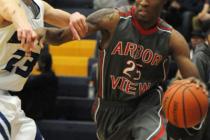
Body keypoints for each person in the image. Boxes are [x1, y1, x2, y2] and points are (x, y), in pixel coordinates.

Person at [36, 0, 207, 139]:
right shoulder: (111, 19)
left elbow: (195, 83)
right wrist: (39, 32)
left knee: (154, 135)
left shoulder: (172, 39)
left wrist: (195, 87)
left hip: (146, 105)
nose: (144, 2)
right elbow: (59, 37)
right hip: (109, 108)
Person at [0, 0, 87, 139]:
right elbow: (11, 8)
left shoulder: (39, 6)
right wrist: (24, 26)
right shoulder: (7, 3)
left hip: (8, 98)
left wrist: (74, 18)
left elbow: (69, 26)